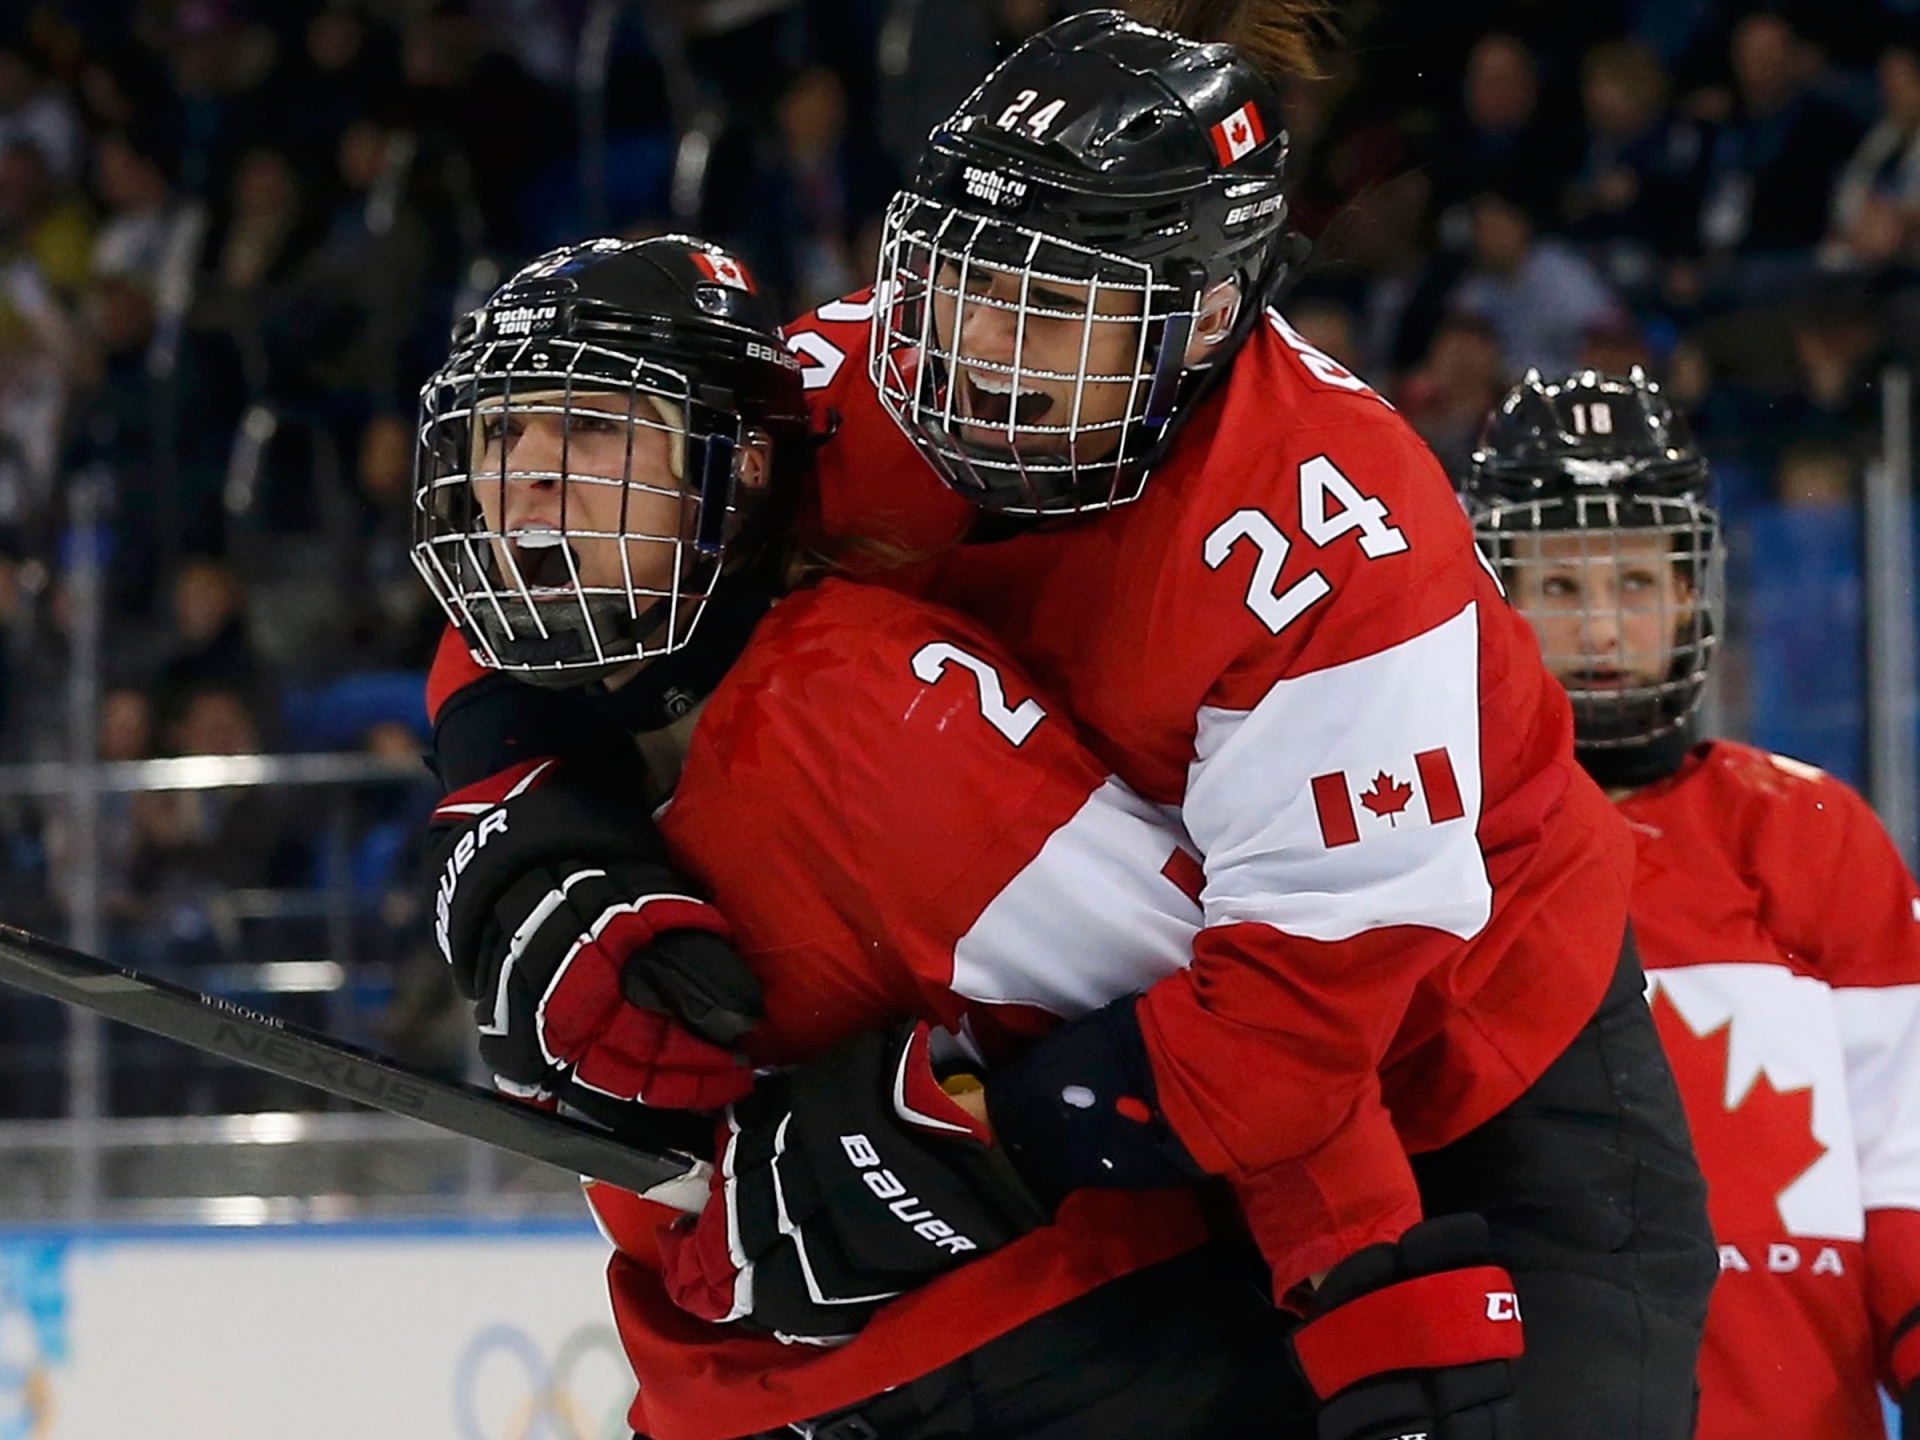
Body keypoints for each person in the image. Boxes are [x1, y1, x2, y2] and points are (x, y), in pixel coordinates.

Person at [773, 7, 1713, 1437]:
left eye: (1048, 302)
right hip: (1198, 1082)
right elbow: (590, 525)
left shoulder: (1338, 529)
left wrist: (977, 1128)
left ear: (1202, 316)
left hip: (1490, 1077)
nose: (971, 350)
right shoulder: (852, 387)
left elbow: (1296, 1020)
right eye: (958, 283)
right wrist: (522, 812)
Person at [414, 233, 1312, 1440]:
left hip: (1068, 1368)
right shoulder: (536, 805)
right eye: (498, 434)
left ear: (729, 474)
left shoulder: (873, 714)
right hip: (744, 1401)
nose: (524, 476)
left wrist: (972, 1138)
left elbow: (1248, 1042)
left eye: (590, 430)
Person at [1460, 368, 1920, 1440]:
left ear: (1690, 594)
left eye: (1636, 582)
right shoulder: (1434, 844)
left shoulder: (1812, 832)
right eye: (1562, 589)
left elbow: (1905, 1152)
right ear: (1498, 596)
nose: (1604, 629)